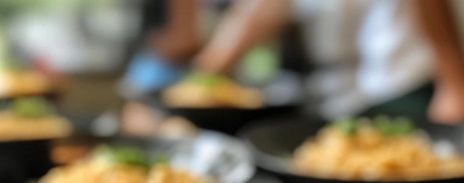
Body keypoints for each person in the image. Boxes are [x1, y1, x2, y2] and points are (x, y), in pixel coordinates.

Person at [193, 0, 464, 123]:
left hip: (399, 86)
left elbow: (433, 11)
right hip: (331, 95)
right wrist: (206, 74)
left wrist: (454, 84)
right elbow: (257, 14)